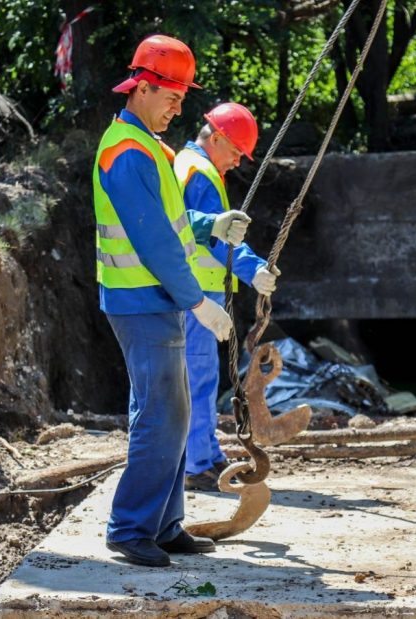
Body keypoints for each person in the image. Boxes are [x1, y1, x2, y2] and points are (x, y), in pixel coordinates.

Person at [93, 34, 253, 567]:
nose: (177, 108)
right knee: (161, 415)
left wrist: (212, 224)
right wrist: (198, 303)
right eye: (172, 97)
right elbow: (153, 240)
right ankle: (131, 528)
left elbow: (175, 223)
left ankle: (164, 524)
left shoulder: (152, 148)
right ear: (141, 87)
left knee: (174, 413)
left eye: (183, 99)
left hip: (154, 300)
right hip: (141, 301)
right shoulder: (127, 152)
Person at [173, 102, 280, 492]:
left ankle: (205, 452)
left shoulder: (188, 164)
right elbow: (218, 238)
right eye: (235, 151)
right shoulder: (200, 175)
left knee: (200, 376)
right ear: (215, 138)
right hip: (196, 292)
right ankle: (198, 463)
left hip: (189, 288)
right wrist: (253, 270)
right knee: (199, 378)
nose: (237, 161)